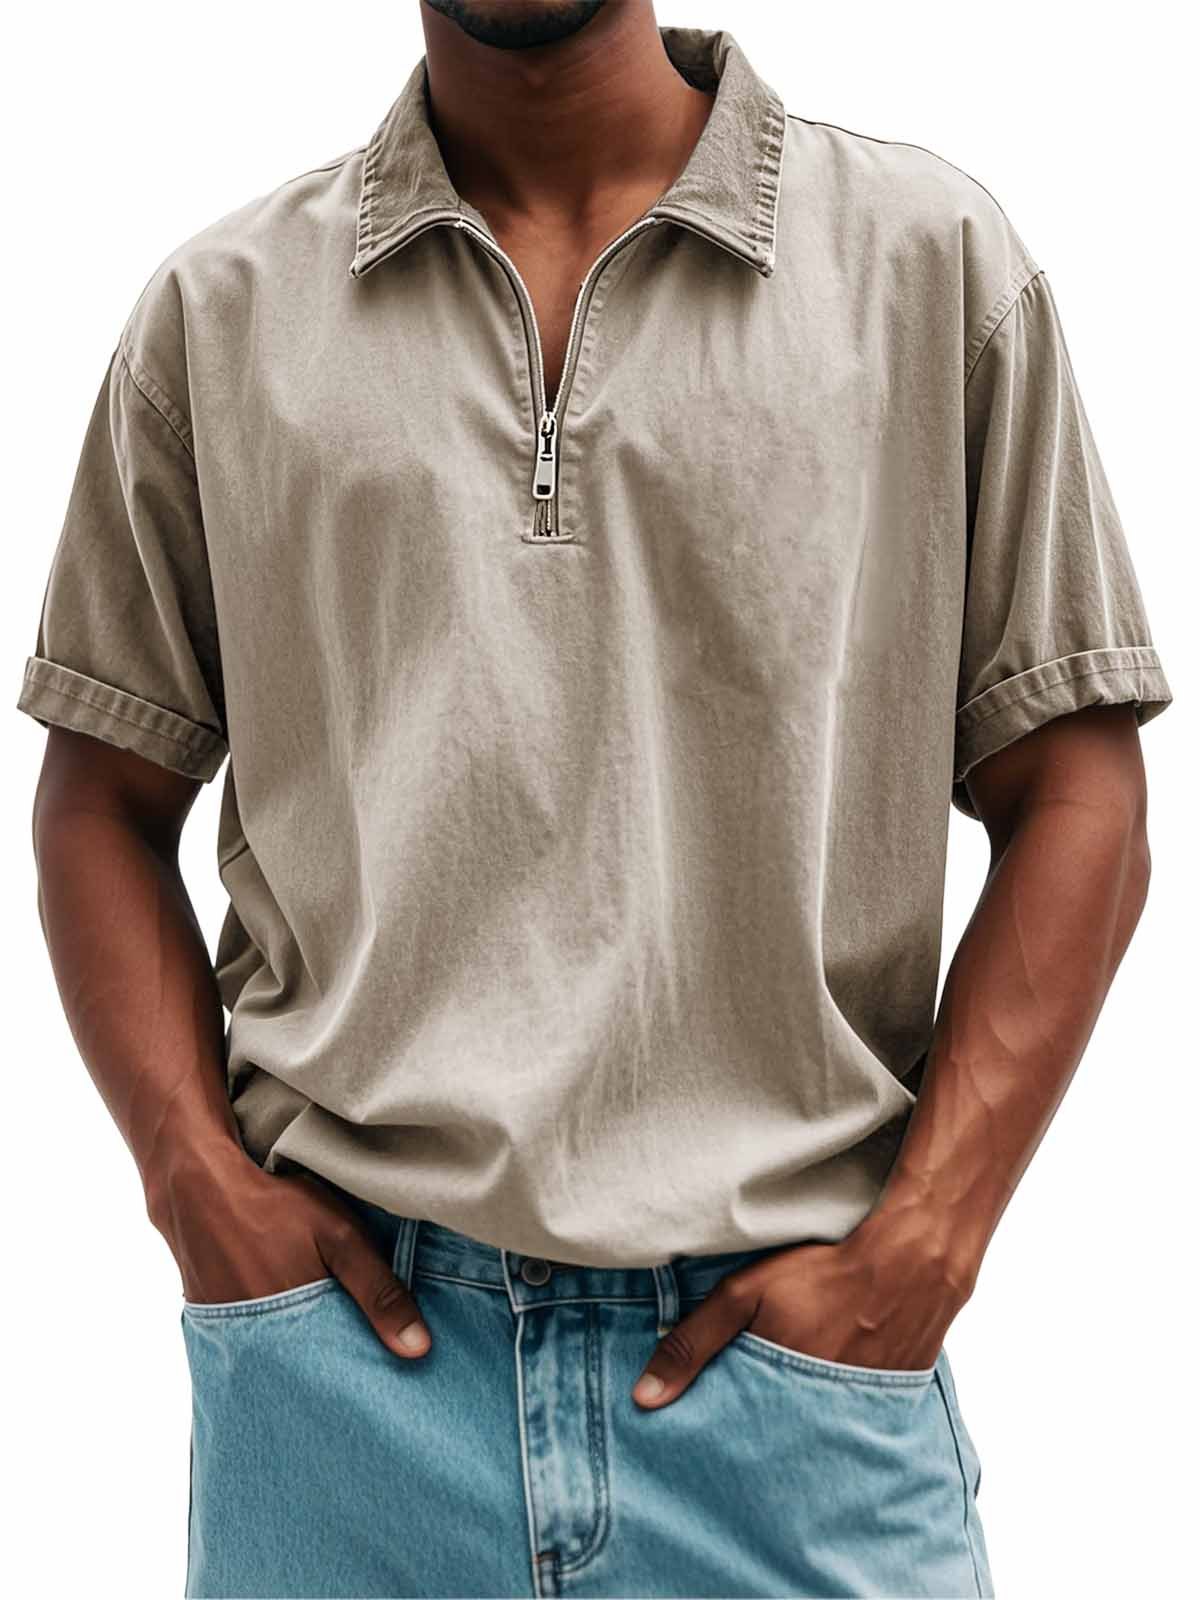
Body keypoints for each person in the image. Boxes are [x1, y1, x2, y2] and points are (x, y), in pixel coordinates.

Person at [18, 1, 1173, 1596]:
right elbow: (101, 792)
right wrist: (191, 1186)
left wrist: (935, 1235)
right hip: (346, 1401)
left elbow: (1078, 786)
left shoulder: (928, 266)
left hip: (793, 1406)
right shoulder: (223, 314)